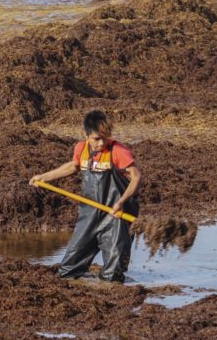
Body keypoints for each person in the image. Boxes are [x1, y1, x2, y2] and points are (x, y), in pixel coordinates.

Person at [29, 110, 142, 282]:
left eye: (105, 137)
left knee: (113, 274)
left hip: (115, 216)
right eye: (96, 138)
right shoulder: (81, 148)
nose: (101, 143)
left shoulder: (118, 151)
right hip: (89, 213)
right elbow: (73, 166)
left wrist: (121, 202)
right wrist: (43, 177)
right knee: (68, 269)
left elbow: (136, 177)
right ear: (87, 134)